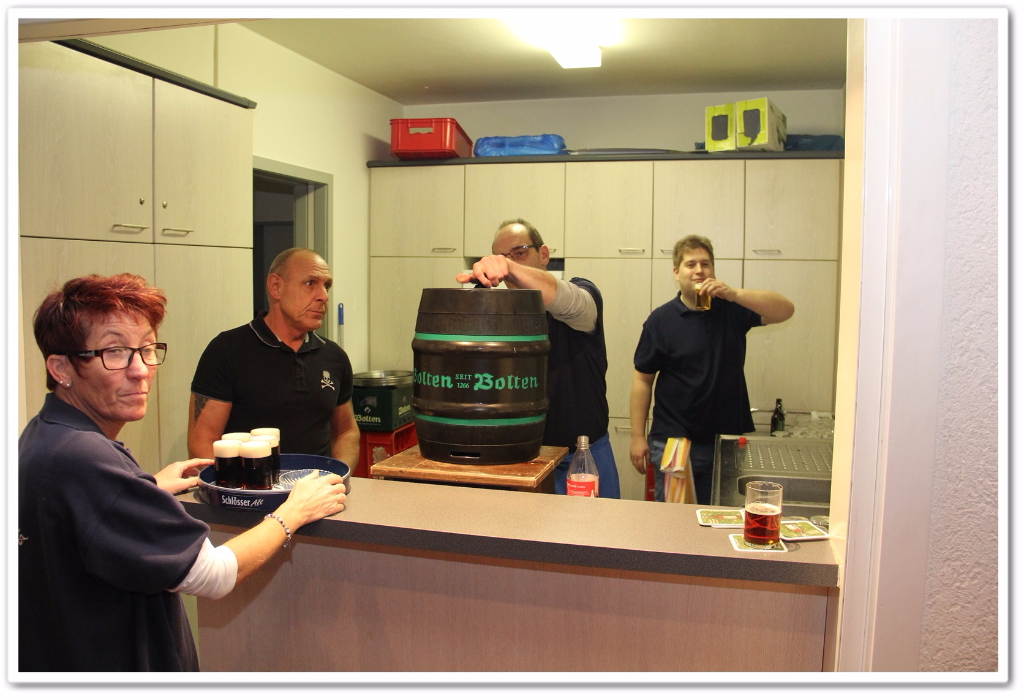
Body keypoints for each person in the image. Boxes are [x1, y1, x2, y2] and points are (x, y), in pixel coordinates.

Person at [19, 273, 348, 671]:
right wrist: (294, 511)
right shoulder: (86, 458)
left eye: (147, 349)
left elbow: (80, 522)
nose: (140, 370)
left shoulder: (45, 434)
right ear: (61, 368)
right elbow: (212, 574)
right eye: (114, 352)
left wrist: (143, 489)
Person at [456, 219, 620, 498]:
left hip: (583, 459)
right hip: (524, 460)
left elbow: (567, 300)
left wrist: (509, 267)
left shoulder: (582, 294)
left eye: (519, 252)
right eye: (500, 257)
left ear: (543, 255)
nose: (508, 264)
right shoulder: (503, 315)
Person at [629, 235, 795, 504]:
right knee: (673, 520)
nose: (699, 270)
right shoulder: (661, 320)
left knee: (723, 517)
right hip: (674, 441)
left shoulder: (733, 309)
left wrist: (734, 294)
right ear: (676, 272)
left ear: (713, 270)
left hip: (726, 442)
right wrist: (638, 436)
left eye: (705, 264)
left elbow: (785, 310)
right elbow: (642, 380)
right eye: (690, 264)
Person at [188, 248, 359, 465]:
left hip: (319, 484)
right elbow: (202, 442)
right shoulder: (227, 350)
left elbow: (346, 431)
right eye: (310, 283)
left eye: (326, 286)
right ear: (276, 286)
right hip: (250, 483)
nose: (323, 296)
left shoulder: (334, 356)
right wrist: (233, 484)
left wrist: (338, 476)